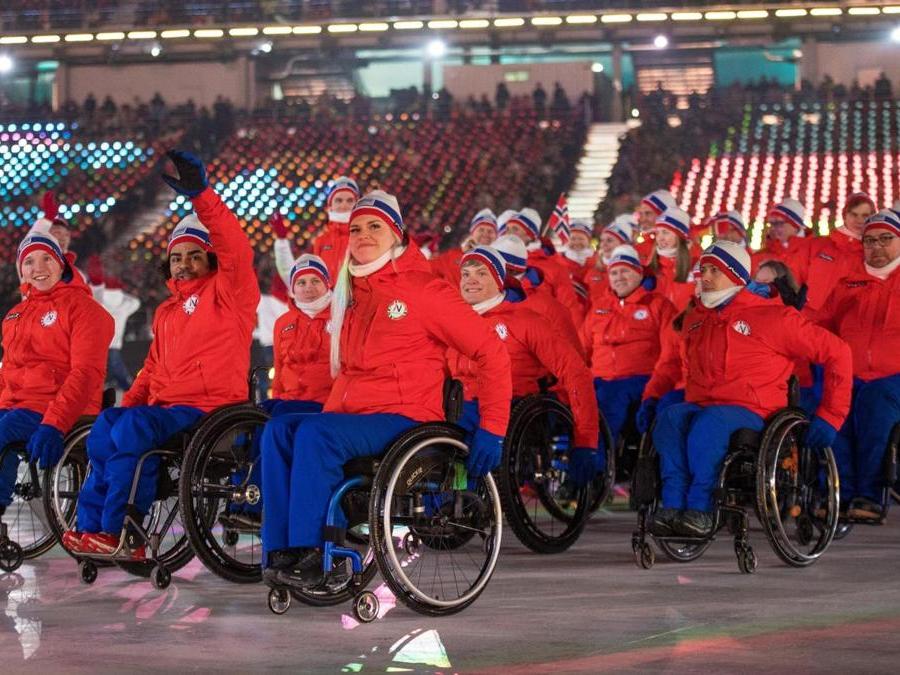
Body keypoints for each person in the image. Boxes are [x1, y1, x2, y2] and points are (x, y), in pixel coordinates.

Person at [259, 190, 512, 586]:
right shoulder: (351, 294)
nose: (362, 234)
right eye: (356, 227)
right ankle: (281, 549)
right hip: (353, 415)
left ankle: (319, 550)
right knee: (278, 430)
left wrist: (493, 427)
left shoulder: (425, 290)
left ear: (396, 234)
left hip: (405, 417)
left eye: (375, 226)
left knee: (314, 434)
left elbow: (491, 352)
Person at [67, 151, 260, 557]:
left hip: (211, 410)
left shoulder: (230, 294)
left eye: (194, 255)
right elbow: (152, 368)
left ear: (209, 258)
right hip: (168, 409)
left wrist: (203, 197)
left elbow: (236, 250)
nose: (185, 264)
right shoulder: (167, 311)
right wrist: (128, 405)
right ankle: (92, 528)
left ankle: (127, 530)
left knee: (133, 428)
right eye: (177, 257)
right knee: (107, 426)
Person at [646, 240, 852, 537]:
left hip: (756, 411)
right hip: (705, 404)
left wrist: (831, 414)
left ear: (735, 276)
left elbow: (838, 352)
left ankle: (700, 510)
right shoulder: (695, 320)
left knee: (710, 424)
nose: (704, 276)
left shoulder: (774, 317)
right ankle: (672, 507)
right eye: (702, 269)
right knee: (669, 418)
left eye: (713, 270)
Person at [449, 245, 598, 484]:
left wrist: (586, 440)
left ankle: (461, 497)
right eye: (466, 274)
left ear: (499, 280)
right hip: (459, 404)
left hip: (512, 406)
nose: (471, 281)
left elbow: (576, 373)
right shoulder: (451, 321)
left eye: (481, 273)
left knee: (461, 436)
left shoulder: (527, 321)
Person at [0, 229, 113, 521]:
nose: (37, 268)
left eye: (46, 259)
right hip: (17, 407)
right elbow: (8, 373)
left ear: (61, 263)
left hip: (57, 408)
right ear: (21, 271)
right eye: (29, 262)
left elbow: (86, 374)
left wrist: (55, 423)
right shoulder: (15, 315)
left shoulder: (85, 310)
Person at [807, 210, 900, 520]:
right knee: (835, 409)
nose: (877, 246)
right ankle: (839, 492)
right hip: (852, 375)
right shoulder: (848, 284)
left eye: (886, 239)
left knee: (874, 405)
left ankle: (870, 494)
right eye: (870, 240)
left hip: (893, 377)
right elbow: (820, 328)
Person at [581, 245, 677, 471]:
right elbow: (581, 348)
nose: (619, 277)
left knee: (608, 403)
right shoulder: (599, 308)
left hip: (639, 378)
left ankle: (595, 471)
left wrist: (656, 386)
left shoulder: (658, 305)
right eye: (614, 273)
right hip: (600, 378)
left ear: (639, 274)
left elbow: (671, 351)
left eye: (625, 271)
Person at [268, 254, 334, 417]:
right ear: (293, 288)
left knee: (278, 414)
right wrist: (277, 398)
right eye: (301, 282)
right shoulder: (283, 323)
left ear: (327, 283)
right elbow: (279, 367)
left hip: (327, 402)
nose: (308, 287)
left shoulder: (342, 316)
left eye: (315, 281)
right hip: (289, 400)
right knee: (257, 412)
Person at [493, 234, 583, 350]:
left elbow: (571, 358)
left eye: (490, 266)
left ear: (508, 269)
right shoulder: (480, 298)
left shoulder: (546, 308)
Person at [792, 192, 874, 311]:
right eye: (854, 214)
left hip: (850, 325)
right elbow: (792, 282)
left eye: (865, 215)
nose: (859, 220)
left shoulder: (876, 254)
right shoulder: (817, 246)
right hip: (812, 322)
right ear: (844, 215)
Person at [499, 209, 583, 325]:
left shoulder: (554, 268)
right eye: (507, 229)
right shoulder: (499, 261)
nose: (509, 233)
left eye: (515, 229)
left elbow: (570, 308)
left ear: (530, 235)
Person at [272, 176, 360, 282]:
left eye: (350, 201)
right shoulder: (320, 241)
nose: (344, 205)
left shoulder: (366, 237)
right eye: (338, 200)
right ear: (330, 205)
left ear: (357, 204)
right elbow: (296, 278)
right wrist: (282, 242)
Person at [431, 208, 498, 286]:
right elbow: (428, 269)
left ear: (496, 236)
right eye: (481, 230)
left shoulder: (500, 262)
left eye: (490, 231)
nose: (485, 234)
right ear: (472, 233)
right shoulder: (452, 256)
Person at [648, 207, 696, 310]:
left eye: (665, 232)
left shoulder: (697, 266)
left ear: (679, 236)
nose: (660, 238)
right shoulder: (650, 268)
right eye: (657, 233)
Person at [584, 215, 635, 307]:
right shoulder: (592, 272)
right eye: (602, 240)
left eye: (609, 240)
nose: (604, 244)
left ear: (623, 244)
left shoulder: (635, 272)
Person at [752, 198, 809, 271]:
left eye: (779, 223)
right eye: (771, 224)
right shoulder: (758, 257)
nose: (772, 228)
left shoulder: (812, 255)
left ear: (796, 226)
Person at [634, 189, 676, 261]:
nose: (643, 219)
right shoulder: (639, 246)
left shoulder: (678, 245)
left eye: (648, 213)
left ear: (663, 215)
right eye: (641, 213)